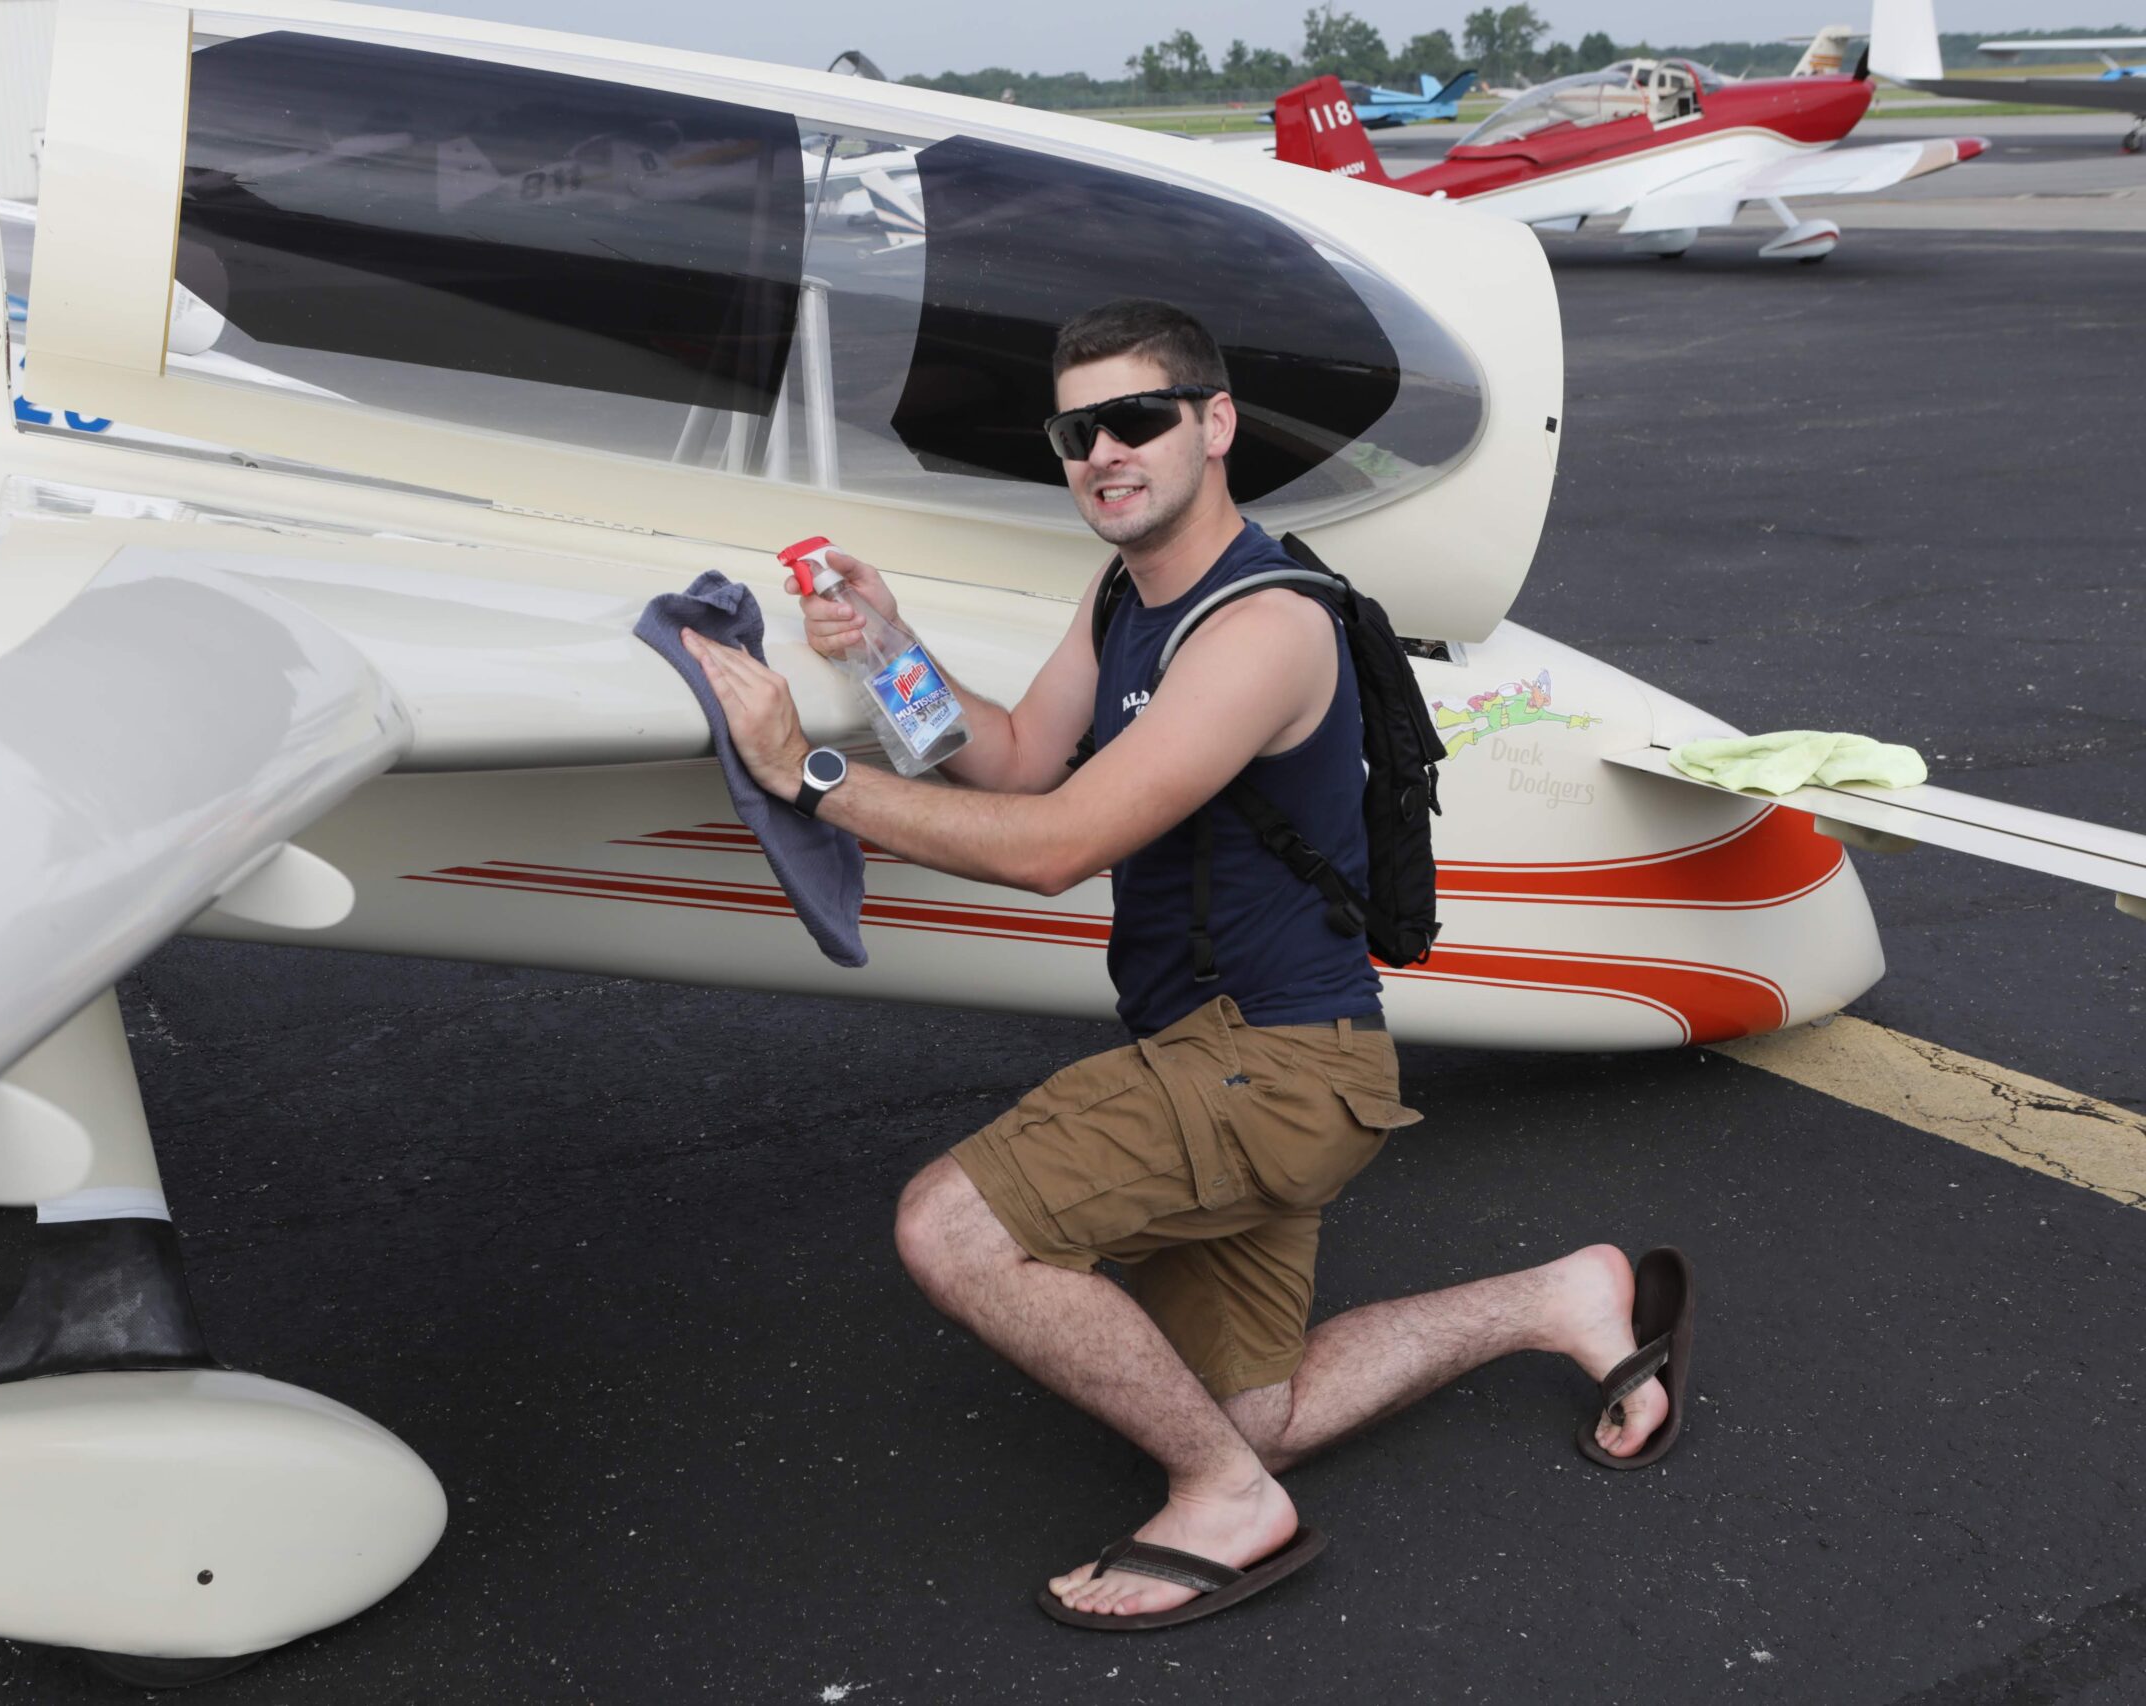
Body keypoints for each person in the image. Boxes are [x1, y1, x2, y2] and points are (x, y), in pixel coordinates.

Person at [684, 298, 1688, 1629]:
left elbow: (1057, 844)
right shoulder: (1125, 595)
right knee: (1255, 1413)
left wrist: (805, 775)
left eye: (1136, 418)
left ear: (1214, 425)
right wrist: (887, 643)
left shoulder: (1261, 628)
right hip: (1227, 1061)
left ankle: (1224, 1502)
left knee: (953, 1225)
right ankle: (1559, 1297)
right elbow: (1017, 761)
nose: (1103, 450)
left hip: (1274, 1068)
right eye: (1075, 431)